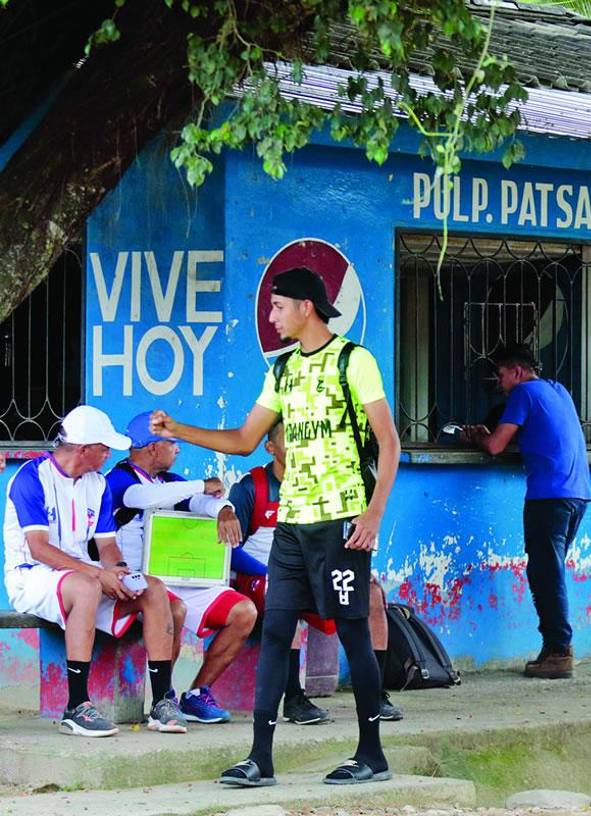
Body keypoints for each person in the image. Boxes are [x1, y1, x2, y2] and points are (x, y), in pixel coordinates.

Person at [150, 265, 401, 786]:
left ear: (306, 306)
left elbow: (390, 441)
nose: (271, 316)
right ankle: (260, 758)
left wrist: (373, 513)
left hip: (342, 523)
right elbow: (245, 439)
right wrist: (179, 430)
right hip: (292, 526)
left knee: (353, 632)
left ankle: (372, 754)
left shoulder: (355, 362)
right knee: (276, 633)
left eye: (277, 306)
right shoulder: (283, 370)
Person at [2, 405, 185, 736]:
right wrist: (97, 576)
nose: (109, 455)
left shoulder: (97, 483)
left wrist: (117, 572)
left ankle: (161, 703)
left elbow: (107, 546)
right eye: (104, 448)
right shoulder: (31, 477)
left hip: (80, 574)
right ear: (84, 449)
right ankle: (77, 706)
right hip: (31, 575)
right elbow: (38, 548)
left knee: (152, 588)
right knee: (87, 586)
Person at [228, 419, 402, 724]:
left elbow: (340, 536)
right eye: (287, 441)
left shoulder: (324, 486)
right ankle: (294, 699)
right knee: (287, 597)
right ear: (270, 448)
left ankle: (375, 693)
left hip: (319, 573)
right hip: (261, 579)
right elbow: (229, 549)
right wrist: (271, 571)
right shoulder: (250, 487)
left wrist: (357, 570)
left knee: (372, 595)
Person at [105, 411, 257, 723]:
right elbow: (141, 497)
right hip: (139, 582)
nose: (178, 449)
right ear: (151, 448)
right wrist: (200, 485)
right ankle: (165, 698)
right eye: (172, 443)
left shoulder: (172, 482)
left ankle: (198, 693)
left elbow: (201, 502)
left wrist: (224, 508)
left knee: (244, 612)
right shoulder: (119, 479)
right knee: (173, 610)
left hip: (180, 575)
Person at [464, 343, 591, 679]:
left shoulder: (522, 394)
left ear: (517, 371)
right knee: (548, 573)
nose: (501, 383)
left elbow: (495, 446)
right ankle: (555, 647)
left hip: (548, 496)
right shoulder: (558, 390)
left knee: (545, 575)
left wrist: (477, 436)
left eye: (502, 374)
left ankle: (559, 650)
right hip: (577, 494)